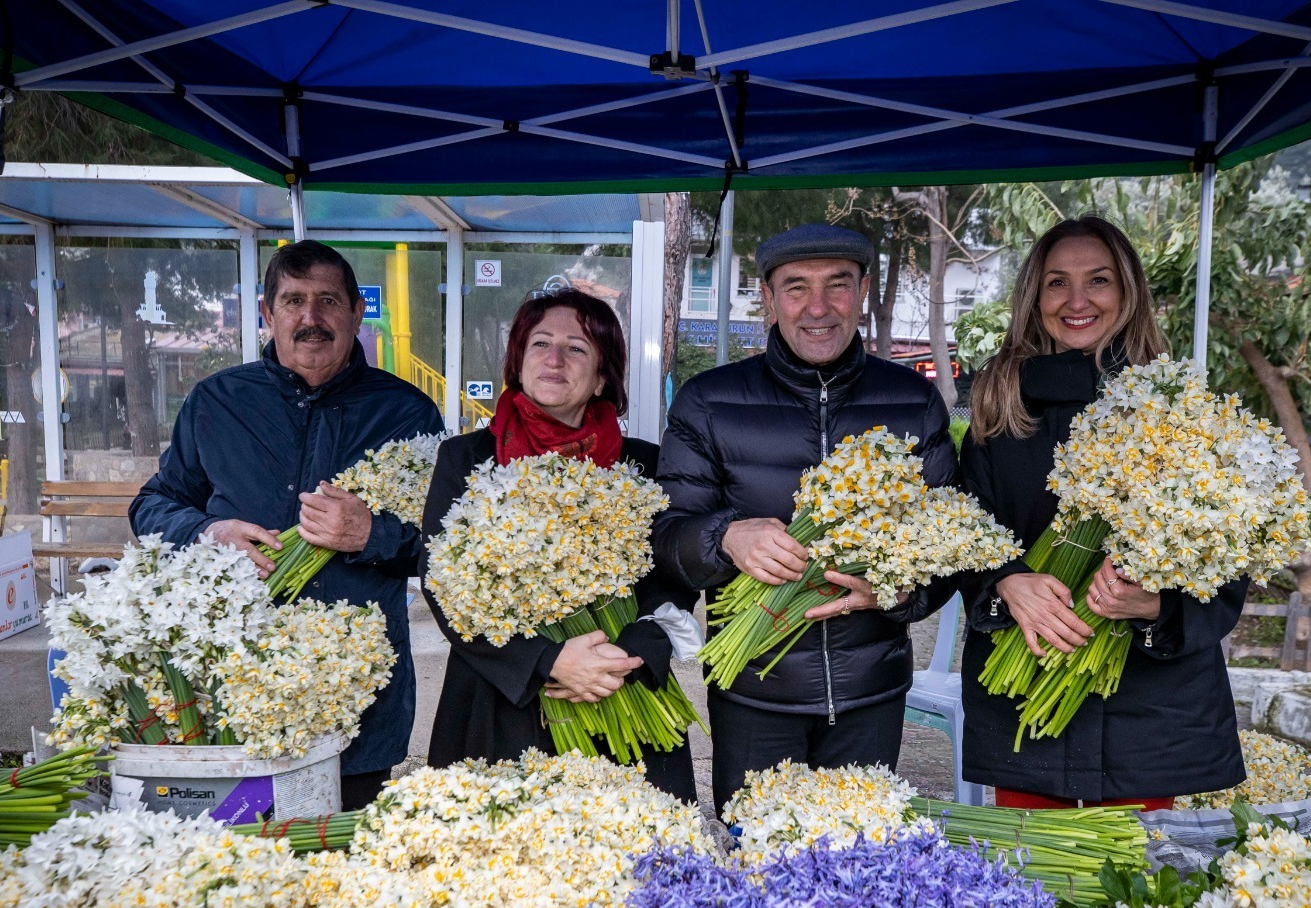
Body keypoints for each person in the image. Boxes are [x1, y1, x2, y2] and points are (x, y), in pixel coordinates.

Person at [652, 223, 959, 817]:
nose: (818, 307)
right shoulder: (708, 401)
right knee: (755, 855)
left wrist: (899, 591)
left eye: (837, 285)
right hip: (752, 691)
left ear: (863, 291)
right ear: (768, 299)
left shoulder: (914, 401)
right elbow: (665, 537)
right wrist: (726, 537)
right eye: (796, 288)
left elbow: (951, 547)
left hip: (872, 693)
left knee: (859, 858)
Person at [130, 240, 445, 812]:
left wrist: (371, 535)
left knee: (346, 844)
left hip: (360, 690)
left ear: (357, 312)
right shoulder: (216, 402)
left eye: (328, 301)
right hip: (237, 680)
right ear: (267, 313)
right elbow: (153, 504)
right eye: (293, 301)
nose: (310, 318)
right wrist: (209, 533)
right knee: (240, 843)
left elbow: (443, 547)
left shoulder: (407, 412)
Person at [958, 216, 1246, 809]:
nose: (1077, 301)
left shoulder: (1182, 409)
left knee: (1139, 871)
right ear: (1034, 297)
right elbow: (964, 532)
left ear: (1128, 292)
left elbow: (1228, 571)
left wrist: (1157, 606)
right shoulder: (998, 406)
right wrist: (1006, 581)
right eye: (1057, 283)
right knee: (1032, 865)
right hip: (1028, 698)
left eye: (1099, 280)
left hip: (1151, 719)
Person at [418, 288, 698, 806]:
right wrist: (547, 660)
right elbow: (441, 585)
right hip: (502, 698)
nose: (554, 360)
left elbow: (675, 573)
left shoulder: (644, 464)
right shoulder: (466, 458)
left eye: (576, 349)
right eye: (540, 343)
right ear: (518, 362)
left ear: (601, 376)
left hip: (620, 684)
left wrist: (629, 653)